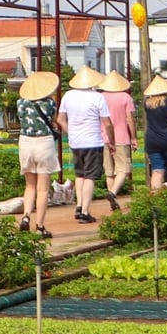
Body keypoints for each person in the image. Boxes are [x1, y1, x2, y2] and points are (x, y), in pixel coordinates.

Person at [57, 66, 114, 223]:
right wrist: (111, 140)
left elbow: (60, 120)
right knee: (90, 177)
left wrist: (71, 133)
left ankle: (79, 205)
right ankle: (85, 211)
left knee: (79, 175)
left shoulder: (68, 96)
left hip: (75, 142)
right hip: (93, 141)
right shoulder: (97, 97)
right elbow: (107, 124)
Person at [15, 70, 61, 237]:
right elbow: (54, 122)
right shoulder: (50, 104)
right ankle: (40, 226)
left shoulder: (20, 103)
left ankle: (26, 216)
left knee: (30, 185)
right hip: (44, 144)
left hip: (25, 143)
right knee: (43, 189)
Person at [100, 69, 135, 209]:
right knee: (123, 170)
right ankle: (113, 193)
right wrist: (133, 137)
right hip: (121, 137)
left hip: (103, 137)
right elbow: (130, 119)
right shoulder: (126, 97)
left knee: (109, 171)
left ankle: (111, 202)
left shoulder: (100, 97)